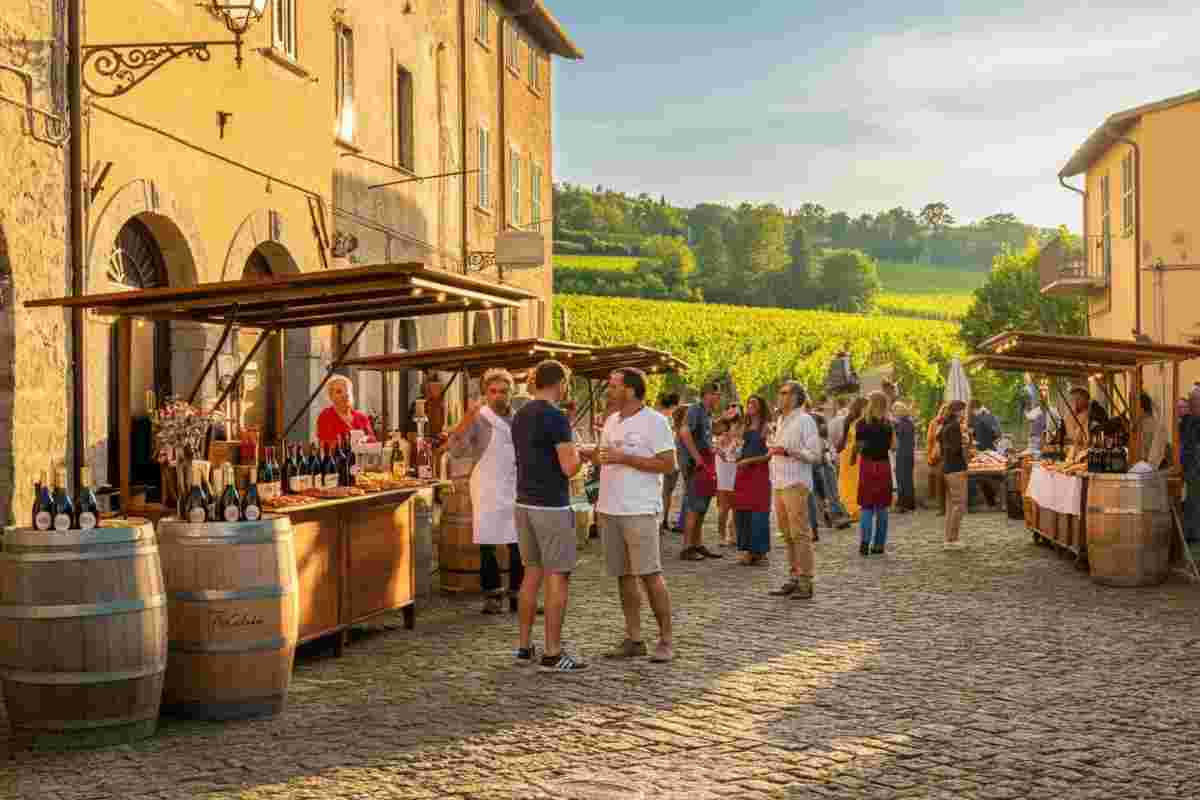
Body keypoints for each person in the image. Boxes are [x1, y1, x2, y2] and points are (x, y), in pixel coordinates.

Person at [591, 368, 676, 664]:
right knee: (623, 576)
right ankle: (634, 638)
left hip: (640, 509)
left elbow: (668, 464)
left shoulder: (656, 421)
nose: (608, 391)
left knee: (650, 575)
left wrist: (624, 458)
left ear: (629, 390)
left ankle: (665, 640)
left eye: (613, 386)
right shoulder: (612, 421)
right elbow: (605, 456)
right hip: (610, 508)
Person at [511, 360, 586, 672]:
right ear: (560, 384)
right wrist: (583, 455)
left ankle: (524, 647)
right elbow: (569, 467)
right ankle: (553, 653)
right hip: (551, 506)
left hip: (524, 503)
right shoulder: (556, 417)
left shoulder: (521, 414)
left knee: (531, 573)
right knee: (558, 576)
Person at [446, 368, 521, 615]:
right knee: (487, 541)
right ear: (486, 394)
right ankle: (492, 596)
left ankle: (518, 596)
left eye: (504, 391)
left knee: (517, 542)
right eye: (493, 391)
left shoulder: (519, 419)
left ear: (512, 393)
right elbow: (455, 449)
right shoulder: (479, 419)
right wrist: (467, 417)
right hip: (487, 484)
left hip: (515, 483)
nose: (499, 396)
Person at [767, 381, 822, 599]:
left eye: (784, 392)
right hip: (779, 482)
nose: (779, 396)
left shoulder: (805, 420)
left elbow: (814, 454)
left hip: (796, 482)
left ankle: (806, 581)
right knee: (787, 534)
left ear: (796, 397)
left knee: (799, 533)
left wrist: (789, 451)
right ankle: (794, 576)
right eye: (780, 392)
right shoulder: (781, 420)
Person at [679, 383, 722, 561]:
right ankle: (687, 547)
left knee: (702, 504)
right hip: (694, 464)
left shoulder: (707, 412)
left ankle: (697, 543)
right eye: (717, 394)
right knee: (694, 504)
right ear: (707, 394)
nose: (719, 398)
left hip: (704, 461)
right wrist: (696, 457)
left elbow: (707, 434)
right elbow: (684, 431)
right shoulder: (696, 409)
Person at [854, 391, 894, 556]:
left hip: (867, 465)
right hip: (883, 465)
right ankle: (879, 545)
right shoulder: (888, 424)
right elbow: (893, 446)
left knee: (866, 506)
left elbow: (858, 447)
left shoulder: (861, 423)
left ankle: (864, 542)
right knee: (882, 506)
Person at [733, 395, 772, 566]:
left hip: (759, 473)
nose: (750, 406)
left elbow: (769, 455)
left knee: (759, 512)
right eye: (748, 403)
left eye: (754, 403)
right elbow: (735, 448)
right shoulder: (743, 427)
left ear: (761, 407)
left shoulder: (767, 427)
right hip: (742, 474)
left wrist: (749, 461)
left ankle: (761, 552)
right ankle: (748, 550)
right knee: (742, 511)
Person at [940, 400, 974, 550]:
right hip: (955, 468)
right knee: (959, 504)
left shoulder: (945, 424)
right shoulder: (954, 426)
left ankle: (949, 537)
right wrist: (965, 441)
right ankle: (952, 539)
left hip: (947, 467)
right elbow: (955, 449)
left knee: (951, 505)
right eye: (963, 411)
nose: (965, 414)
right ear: (958, 411)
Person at [316, 374, 377, 447]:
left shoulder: (361, 417)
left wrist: (365, 440)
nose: (345, 394)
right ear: (331, 396)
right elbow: (326, 446)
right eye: (339, 392)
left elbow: (373, 443)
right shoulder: (326, 416)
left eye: (347, 390)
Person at [715, 405, 743, 548]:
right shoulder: (722, 436)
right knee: (724, 507)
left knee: (737, 507)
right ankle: (721, 535)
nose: (736, 427)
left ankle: (733, 534)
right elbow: (718, 450)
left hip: (738, 473)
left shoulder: (743, 434)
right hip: (724, 474)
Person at [838, 397, 868, 522]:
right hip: (849, 455)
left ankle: (857, 509)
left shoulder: (865, 421)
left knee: (857, 483)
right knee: (848, 482)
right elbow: (843, 440)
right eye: (867, 406)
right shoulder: (850, 420)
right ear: (861, 407)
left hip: (858, 455)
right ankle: (851, 510)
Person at [656, 393, 682, 534]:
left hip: (663, 458)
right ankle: (662, 521)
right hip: (672, 458)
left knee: (664, 492)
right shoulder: (672, 419)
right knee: (667, 492)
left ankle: (662, 521)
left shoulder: (657, 417)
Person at [969, 400, 1001, 509]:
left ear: (975, 408)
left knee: (988, 476)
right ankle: (992, 501)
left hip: (986, 450)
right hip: (982, 450)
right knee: (982, 476)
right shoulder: (985, 416)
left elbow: (995, 433)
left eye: (972, 411)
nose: (972, 413)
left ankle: (993, 500)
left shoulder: (986, 416)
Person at [667, 404, 689, 533]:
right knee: (683, 493)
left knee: (680, 493)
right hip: (683, 465)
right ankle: (681, 522)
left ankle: (681, 521)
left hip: (680, 464)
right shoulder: (682, 430)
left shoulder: (677, 429)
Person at [1182, 388, 1200, 545]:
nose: (1191, 404)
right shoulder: (1190, 421)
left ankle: (1194, 534)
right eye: (1190, 401)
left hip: (1196, 469)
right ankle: (1190, 533)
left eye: (1193, 401)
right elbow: (1186, 444)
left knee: (1194, 502)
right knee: (1190, 502)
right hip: (1190, 469)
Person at [893, 402, 916, 513]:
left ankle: (903, 504)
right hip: (908, 454)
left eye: (895, 410)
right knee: (907, 479)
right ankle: (909, 503)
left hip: (902, 454)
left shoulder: (902, 424)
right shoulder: (909, 422)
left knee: (902, 479)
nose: (894, 413)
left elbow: (899, 438)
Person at [1137, 392, 1170, 469]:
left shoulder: (1149, 425)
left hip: (1148, 470)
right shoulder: (1143, 424)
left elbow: (1151, 455)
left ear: (1141, 409)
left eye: (1133, 407)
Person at [927, 403, 949, 515]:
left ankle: (948, 507)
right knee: (940, 481)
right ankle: (942, 508)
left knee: (950, 483)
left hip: (950, 456)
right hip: (939, 456)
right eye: (944, 412)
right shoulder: (934, 423)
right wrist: (930, 456)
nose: (945, 414)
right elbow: (930, 440)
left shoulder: (956, 423)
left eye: (948, 412)